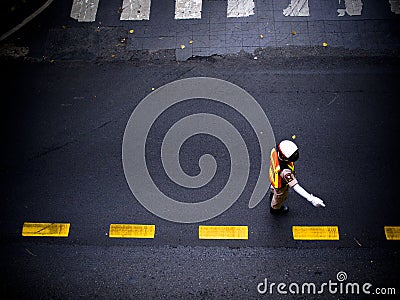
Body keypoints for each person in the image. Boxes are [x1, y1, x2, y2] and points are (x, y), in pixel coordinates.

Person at [269, 140, 325, 215]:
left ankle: (272, 193)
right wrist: (311, 199)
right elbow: (295, 186)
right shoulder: (285, 172)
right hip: (281, 185)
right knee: (279, 197)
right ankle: (275, 209)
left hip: (274, 177)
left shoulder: (275, 152)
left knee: (274, 189)